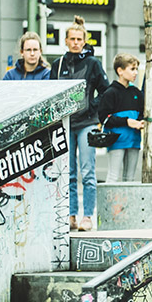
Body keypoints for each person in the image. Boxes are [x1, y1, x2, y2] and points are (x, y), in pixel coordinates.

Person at [53, 16, 111, 231]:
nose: (76, 42)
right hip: (66, 124)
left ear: (84, 41)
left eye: (80, 39)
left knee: (88, 172)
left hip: (87, 122)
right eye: (72, 39)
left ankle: (88, 216)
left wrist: (91, 106)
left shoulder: (93, 64)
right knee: (68, 172)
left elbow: (105, 90)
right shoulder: (57, 65)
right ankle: (70, 214)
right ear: (66, 41)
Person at [99, 52, 144, 184]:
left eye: (136, 69)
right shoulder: (110, 93)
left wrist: (141, 121)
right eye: (132, 69)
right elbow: (104, 118)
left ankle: (128, 204)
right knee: (113, 176)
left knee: (130, 178)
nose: (135, 72)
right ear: (120, 71)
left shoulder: (136, 93)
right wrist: (127, 122)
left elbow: (141, 112)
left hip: (134, 140)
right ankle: (110, 204)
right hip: (116, 140)